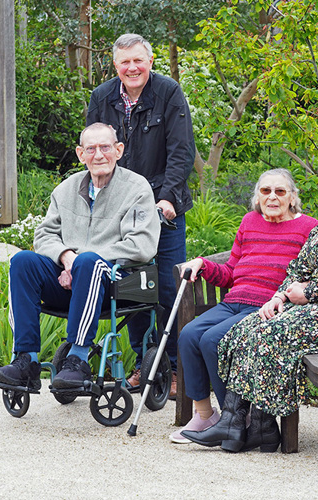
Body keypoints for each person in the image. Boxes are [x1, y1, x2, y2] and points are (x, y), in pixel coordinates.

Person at [181, 154, 318, 453]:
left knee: (271, 331)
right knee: (253, 326)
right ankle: (248, 426)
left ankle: (255, 425)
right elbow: (299, 267)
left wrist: (307, 293)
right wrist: (279, 296)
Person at [0, 123, 160, 390]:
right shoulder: (66, 189)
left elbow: (142, 245)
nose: (98, 155)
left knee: (88, 263)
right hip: (69, 280)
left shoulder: (137, 189)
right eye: (91, 149)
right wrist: (65, 257)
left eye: (105, 147)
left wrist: (81, 259)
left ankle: (78, 359)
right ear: (80, 154)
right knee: (22, 262)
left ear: (118, 150)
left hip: (115, 284)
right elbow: (44, 235)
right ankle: (26, 360)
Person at [170, 168, 318, 444]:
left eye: (280, 191)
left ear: (292, 197)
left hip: (267, 307)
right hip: (233, 302)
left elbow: (309, 274)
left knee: (213, 339)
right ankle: (205, 415)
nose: (272, 197)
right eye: (265, 191)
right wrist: (203, 264)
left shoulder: (308, 227)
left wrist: (285, 298)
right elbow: (229, 272)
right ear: (257, 196)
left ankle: (237, 417)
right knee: (189, 335)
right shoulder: (249, 222)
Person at [86, 33, 195, 396]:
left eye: (138, 61)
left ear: (150, 61)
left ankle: (177, 370)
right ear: (115, 66)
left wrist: (165, 200)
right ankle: (142, 364)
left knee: (166, 288)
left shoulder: (168, 93)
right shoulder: (102, 97)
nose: (132, 68)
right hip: (120, 211)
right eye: (124, 63)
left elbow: (181, 153)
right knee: (130, 289)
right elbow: (95, 151)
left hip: (163, 207)